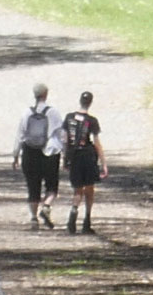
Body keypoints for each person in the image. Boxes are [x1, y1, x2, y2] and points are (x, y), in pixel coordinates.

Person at [14, 86, 61, 229]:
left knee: (33, 186)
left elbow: (20, 135)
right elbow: (61, 135)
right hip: (50, 153)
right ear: (46, 94)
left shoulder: (26, 113)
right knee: (52, 185)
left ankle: (34, 218)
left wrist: (16, 155)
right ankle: (46, 206)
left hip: (30, 151)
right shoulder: (53, 112)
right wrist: (66, 153)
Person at [60, 92, 105, 234]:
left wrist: (65, 158)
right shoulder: (92, 121)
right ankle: (87, 221)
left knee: (77, 189)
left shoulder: (69, 118)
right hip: (87, 156)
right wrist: (103, 162)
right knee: (89, 189)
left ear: (80, 101)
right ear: (90, 103)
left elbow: (65, 140)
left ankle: (72, 218)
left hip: (74, 156)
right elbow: (96, 142)